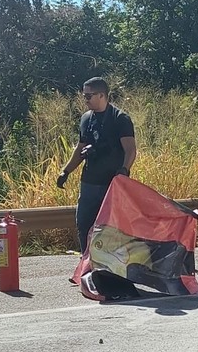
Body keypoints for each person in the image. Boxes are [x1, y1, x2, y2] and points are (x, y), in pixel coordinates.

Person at [56, 77, 137, 252]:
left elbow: (130, 149)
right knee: (84, 224)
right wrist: (66, 171)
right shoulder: (86, 119)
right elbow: (80, 148)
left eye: (88, 96)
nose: (85, 100)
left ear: (101, 95)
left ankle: (111, 264)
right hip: (89, 183)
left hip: (112, 184)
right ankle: (86, 261)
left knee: (111, 228)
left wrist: (124, 170)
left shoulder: (120, 119)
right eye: (83, 96)